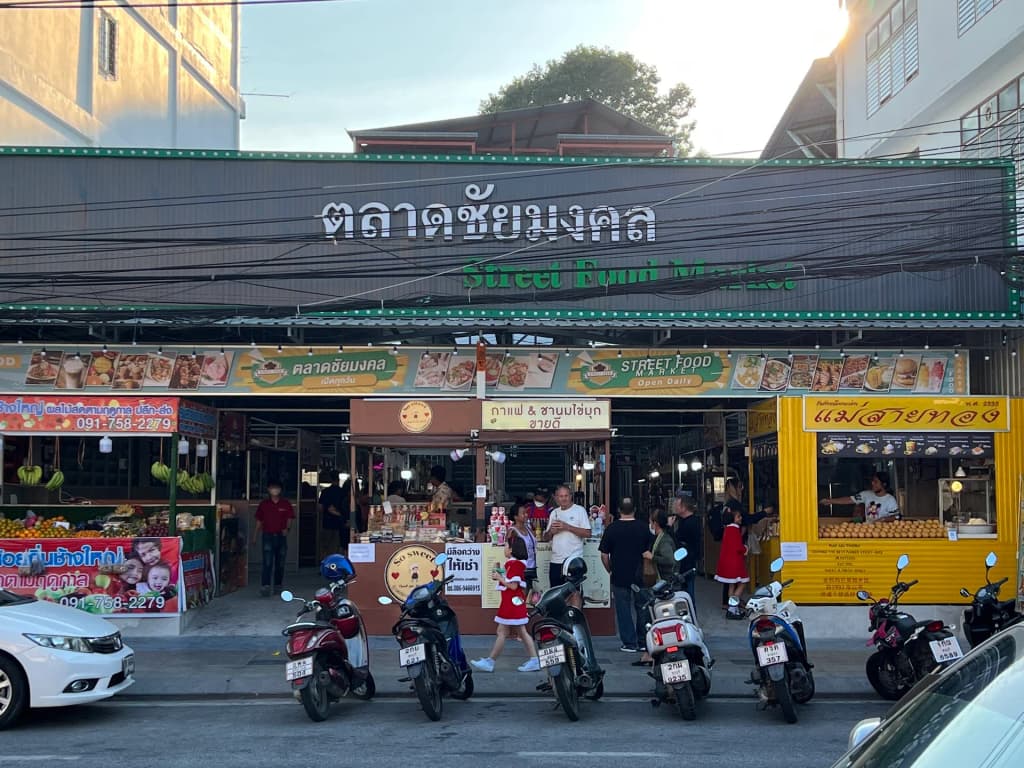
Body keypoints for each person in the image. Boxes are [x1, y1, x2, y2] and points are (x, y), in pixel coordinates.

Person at [470, 533, 540, 673]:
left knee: (502, 631)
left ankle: (490, 662)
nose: (504, 548)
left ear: (512, 550)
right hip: (514, 602)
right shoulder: (515, 564)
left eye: (506, 546)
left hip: (511, 603)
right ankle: (533, 660)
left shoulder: (514, 564)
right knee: (520, 631)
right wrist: (502, 577)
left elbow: (513, 586)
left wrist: (500, 578)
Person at [599, 498, 651, 653]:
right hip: (641, 574)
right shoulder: (643, 527)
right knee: (643, 607)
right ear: (634, 509)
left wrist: (610, 570)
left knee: (623, 609)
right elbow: (650, 552)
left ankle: (629, 642)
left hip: (619, 574)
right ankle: (643, 641)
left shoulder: (612, 528)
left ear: (618, 510)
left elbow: (604, 555)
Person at [544, 484, 591, 607]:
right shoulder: (554, 513)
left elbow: (587, 533)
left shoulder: (579, 511)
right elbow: (546, 537)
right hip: (556, 560)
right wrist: (551, 532)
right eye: (560, 496)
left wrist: (567, 527)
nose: (563, 499)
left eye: (566, 496)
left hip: (573, 561)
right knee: (555, 594)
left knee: (574, 593)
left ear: (571, 496)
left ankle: (574, 621)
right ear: (555, 498)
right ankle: (558, 624)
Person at [252, 480, 295, 597]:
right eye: (272, 488)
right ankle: (265, 585)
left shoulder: (285, 504)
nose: (274, 490)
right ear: (268, 490)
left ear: (280, 490)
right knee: (267, 562)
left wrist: (287, 529)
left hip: (281, 536)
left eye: (276, 488)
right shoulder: (264, 504)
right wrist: (255, 536)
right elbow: (259, 521)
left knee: (280, 562)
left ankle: (278, 585)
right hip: (268, 535)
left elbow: (290, 518)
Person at [820, 472, 899, 521]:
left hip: (883, 535)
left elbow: (896, 517)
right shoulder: (866, 494)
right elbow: (849, 499)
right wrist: (830, 501)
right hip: (867, 532)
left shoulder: (890, 500)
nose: (872, 483)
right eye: (872, 481)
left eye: (875, 482)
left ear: (884, 484)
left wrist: (883, 519)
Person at [716, 507, 749, 618]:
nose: (741, 518)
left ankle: (732, 609)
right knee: (742, 583)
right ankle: (733, 608)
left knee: (731, 585)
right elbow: (738, 547)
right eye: (738, 517)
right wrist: (745, 548)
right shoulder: (735, 530)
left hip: (726, 562)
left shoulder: (727, 529)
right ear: (733, 519)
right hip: (735, 562)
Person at [672, 492, 703, 610]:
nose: (675, 507)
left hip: (688, 561)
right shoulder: (685, 521)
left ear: (684, 507)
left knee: (688, 591)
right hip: (685, 560)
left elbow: (678, 540)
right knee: (686, 589)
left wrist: (670, 529)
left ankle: (691, 614)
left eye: (677, 505)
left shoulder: (690, 523)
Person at [510, 503, 538, 601]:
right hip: (520, 569)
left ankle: (521, 614)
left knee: (527, 595)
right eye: (523, 513)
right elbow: (508, 551)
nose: (526, 515)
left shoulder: (528, 529)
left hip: (531, 567)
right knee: (520, 595)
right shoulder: (512, 531)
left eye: (526, 513)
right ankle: (516, 615)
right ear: (515, 517)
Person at [318, 472, 346, 558]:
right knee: (336, 546)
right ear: (338, 480)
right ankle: (334, 566)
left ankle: (324, 566)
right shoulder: (343, 492)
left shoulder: (325, 492)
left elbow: (320, 508)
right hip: (340, 523)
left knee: (325, 547)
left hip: (327, 523)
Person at [645, 508, 676, 582]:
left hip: (665, 581)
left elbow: (669, 560)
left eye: (650, 522)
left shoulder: (664, 540)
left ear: (655, 523)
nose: (650, 525)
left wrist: (652, 557)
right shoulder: (658, 538)